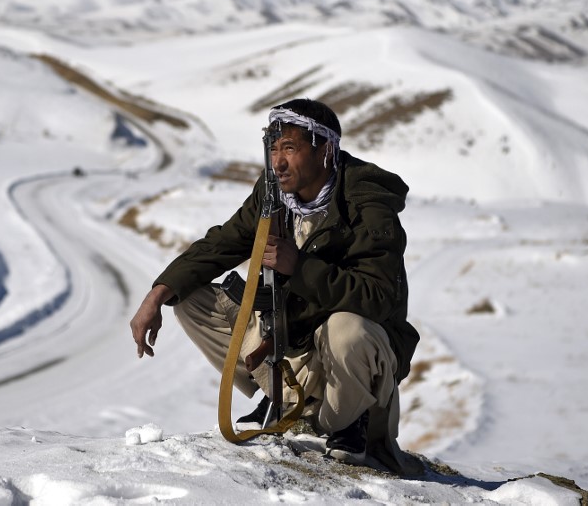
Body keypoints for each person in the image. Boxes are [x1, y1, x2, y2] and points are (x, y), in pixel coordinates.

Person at [129, 98, 421, 473]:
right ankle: (281, 396)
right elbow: (223, 243)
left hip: (350, 351)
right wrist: (158, 294)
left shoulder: (367, 203)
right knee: (189, 300)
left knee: (348, 329)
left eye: (290, 148)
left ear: (325, 151)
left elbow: (378, 298)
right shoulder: (275, 194)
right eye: (273, 148)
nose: (277, 161)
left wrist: (299, 268)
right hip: (293, 340)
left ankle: (349, 420)